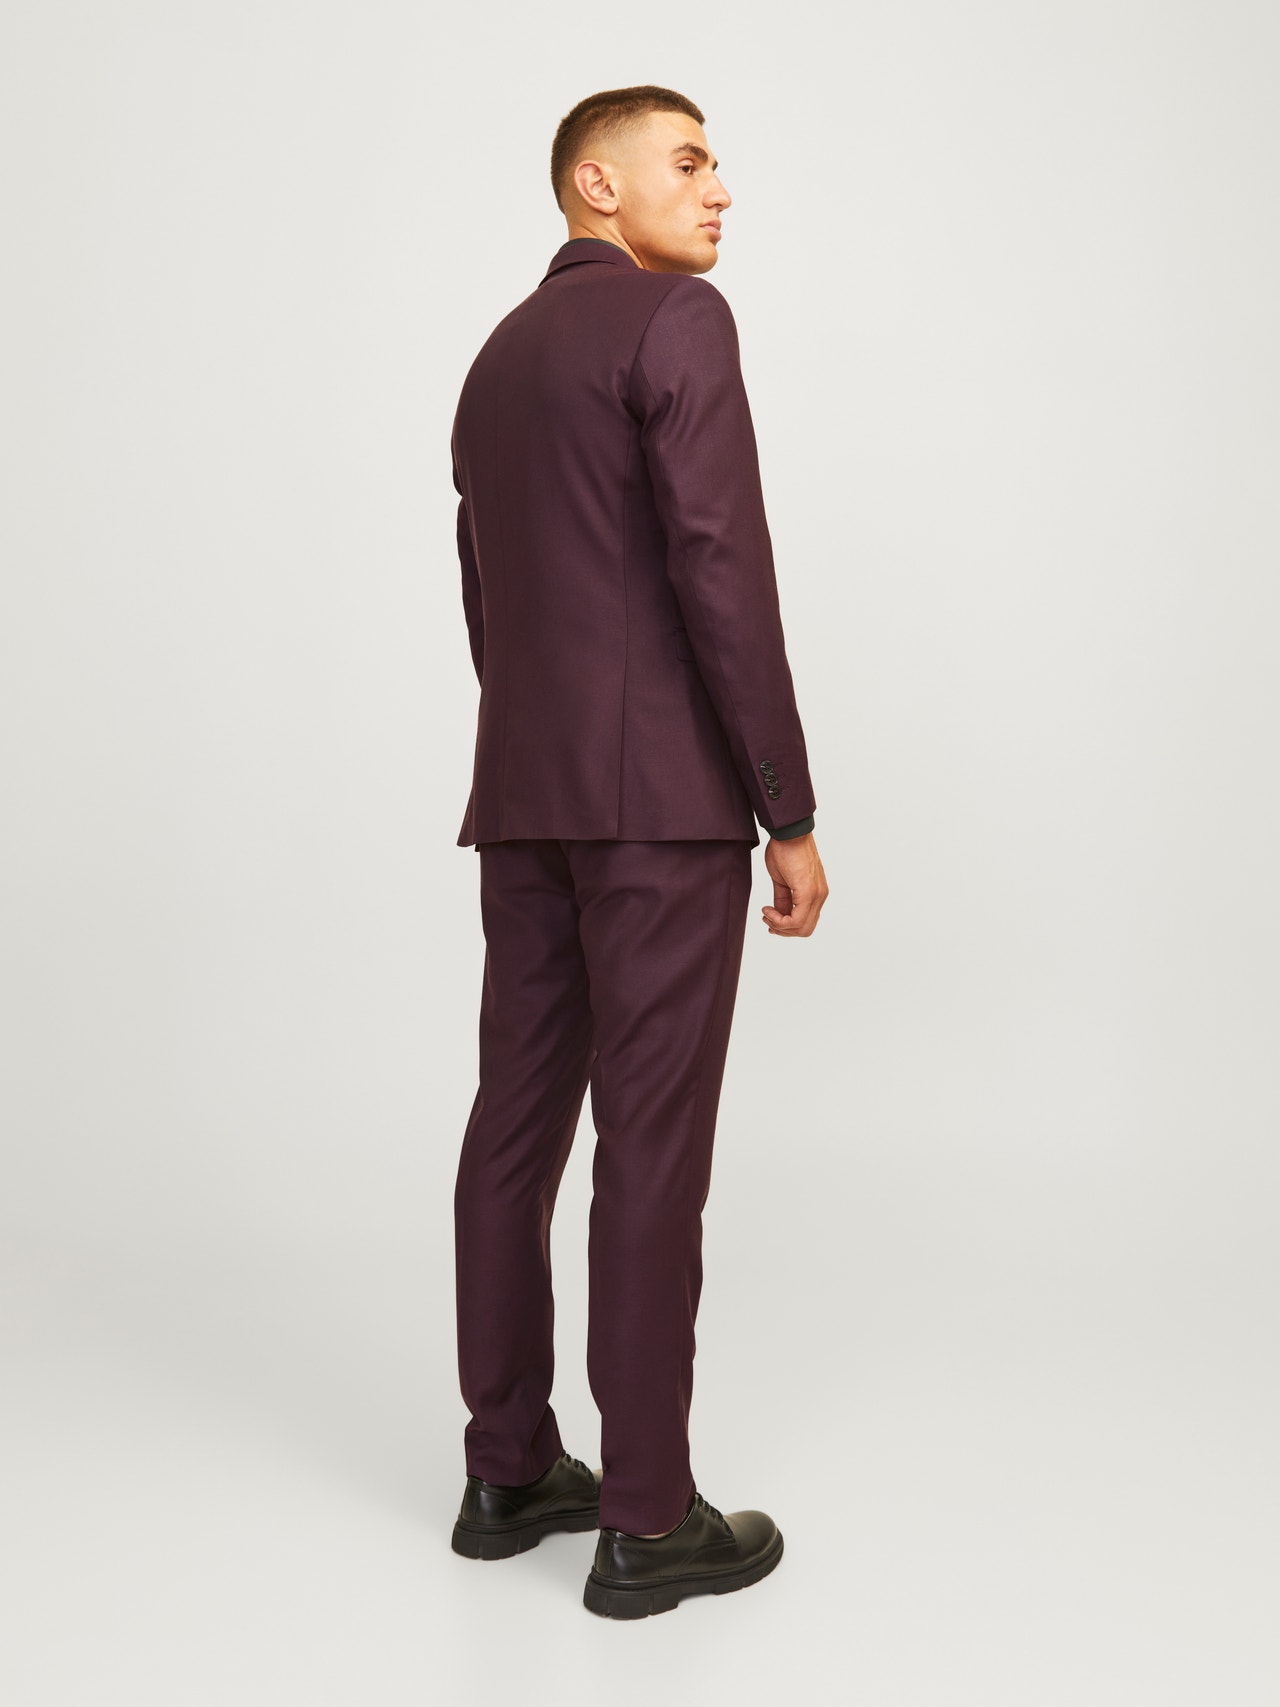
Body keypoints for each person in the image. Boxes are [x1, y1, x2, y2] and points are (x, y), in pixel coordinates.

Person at [447, 84, 829, 1619]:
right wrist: (785, 808)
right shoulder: (678, 322)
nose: (720, 188)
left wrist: (547, 747)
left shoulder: (494, 359)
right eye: (689, 160)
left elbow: (487, 602)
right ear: (594, 184)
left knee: (514, 1126)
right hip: (662, 808)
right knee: (651, 1148)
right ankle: (650, 1517)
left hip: (524, 795)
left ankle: (506, 1468)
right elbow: (722, 569)